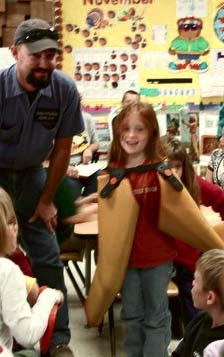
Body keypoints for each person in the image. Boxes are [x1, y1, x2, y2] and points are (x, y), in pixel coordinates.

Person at [0, 18, 84, 357]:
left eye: (51, 55)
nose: (45, 63)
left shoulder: (63, 90)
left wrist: (47, 199)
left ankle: (59, 340)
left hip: (34, 175)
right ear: (14, 52)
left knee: (48, 255)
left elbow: (63, 148)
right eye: (36, 56)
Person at [109, 102, 175, 357]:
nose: (131, 135)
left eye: (140, 129)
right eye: (125, 128)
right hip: (127, 260)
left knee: (156, 318)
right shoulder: (114, 172)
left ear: (152, 134)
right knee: (131, 317)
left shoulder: (162, 171)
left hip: (158, 259)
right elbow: (113, 210)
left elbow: (179, 212)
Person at [163, 137, 224, 335]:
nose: (172, 173)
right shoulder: (154, 187)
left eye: (177, 166)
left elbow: (220, 198)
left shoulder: (193, 184)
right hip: (162, 261)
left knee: (195, 314)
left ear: (184, 167)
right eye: (166, 167)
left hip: (188, 261)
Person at [0, 187, 64, 356]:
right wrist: (49, 296)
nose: (16, 228)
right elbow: (27, 335)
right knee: (31, 353)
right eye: (11, 221)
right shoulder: (7, 271)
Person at [171, 249, 224, 357]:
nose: (192, 283)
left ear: (210, 297)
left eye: (195, 280)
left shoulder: (218, 348)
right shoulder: (200, 320)